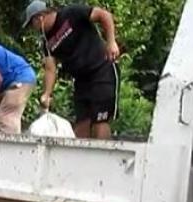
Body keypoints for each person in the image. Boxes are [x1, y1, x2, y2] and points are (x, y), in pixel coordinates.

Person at [23, 0, 120, 139]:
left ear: (40, 18)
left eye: (32, 24)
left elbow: (103, 15)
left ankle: (104, 152)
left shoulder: (71, 14)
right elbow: (50, 69)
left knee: (99, 121)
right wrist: (47, 94)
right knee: (81, 127)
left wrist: (111, 42)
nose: (34, 29)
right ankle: (79, 153)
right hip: (81, 81)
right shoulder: (47, 42)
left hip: (101, 70)